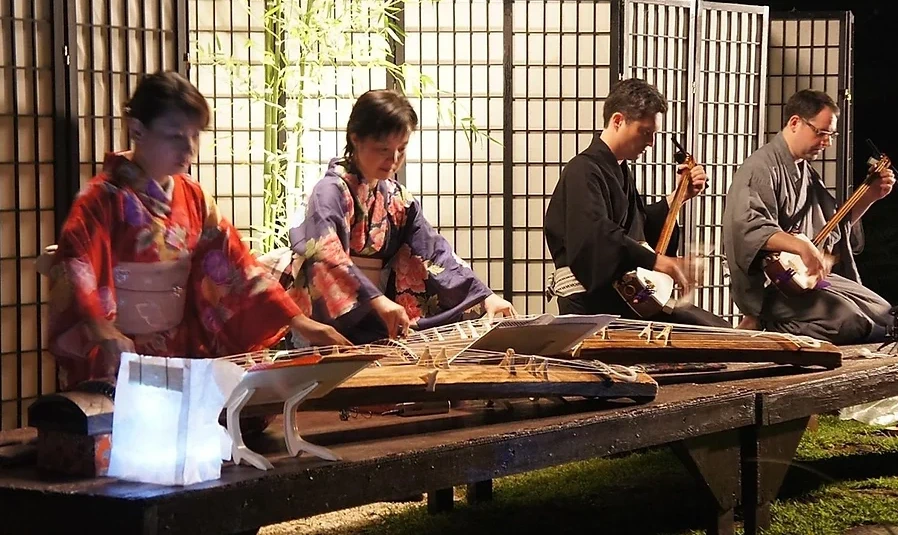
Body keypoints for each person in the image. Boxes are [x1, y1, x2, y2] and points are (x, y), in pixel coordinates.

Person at [44, 71, 350, 391]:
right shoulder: (100, 200)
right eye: (175, 136)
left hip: (178, 349)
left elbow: (239, 268)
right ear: (137, 130)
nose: (188, 148)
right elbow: (77, 268)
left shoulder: (195, 198)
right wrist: (102, 330)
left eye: (194, 135)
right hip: (118, 356)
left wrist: (299, 321)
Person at [271, 89, 516, 344]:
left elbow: (434, 253)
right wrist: (377, 301)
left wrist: (485, 297)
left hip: (375, 316)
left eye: (402, 148)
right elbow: (326, 254)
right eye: (383, 149)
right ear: (356, 139)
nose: (394, 159)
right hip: (328, 321)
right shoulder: (330, 192)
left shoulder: (398, 198)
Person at [543, 77, 730, 327]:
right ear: (618, 120)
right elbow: (596, 237)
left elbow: (639, 228)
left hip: (620, 299)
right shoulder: (582, 170)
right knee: (704, 329)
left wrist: (677, 198)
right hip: (590, 304)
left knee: (714, 327)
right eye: (645, 132)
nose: (651, 143)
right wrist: (659, 262)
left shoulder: (619, 171)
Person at [722, 88, 895, 345]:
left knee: (885, 314)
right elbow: (748, 227)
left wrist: (870, 196)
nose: (827, 142)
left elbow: (833, 227)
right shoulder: (758, 169)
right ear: (795, 122)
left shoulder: (806, 173)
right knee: (851, 321)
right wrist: (800, 246)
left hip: (804, 278)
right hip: (774, 286)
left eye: (831, 135)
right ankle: (765, 326)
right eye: (822, 133)